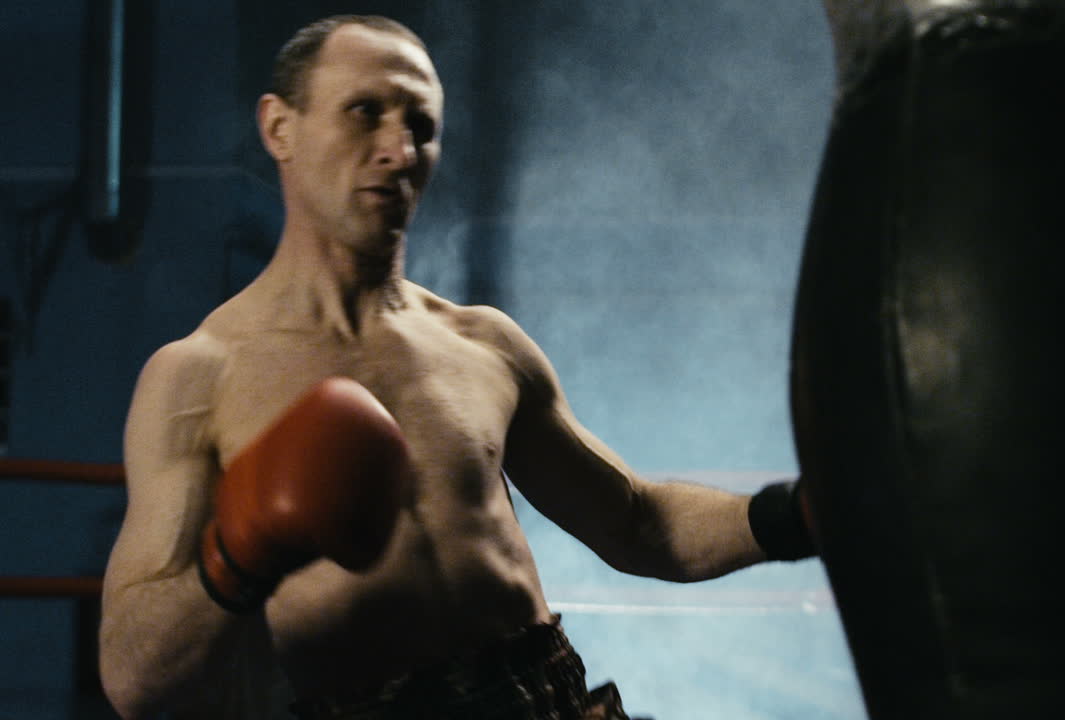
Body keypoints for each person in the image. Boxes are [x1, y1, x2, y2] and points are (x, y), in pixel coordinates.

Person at [98, 15, 813, 720]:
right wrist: (239, 552)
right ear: (280, 127)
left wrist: (805, 515)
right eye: (364, 112)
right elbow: (134, 681)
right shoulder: (199, 377)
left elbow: (640, 524)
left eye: (421, 126)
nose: (399, 150)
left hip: (546, 698)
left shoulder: (484, 345)